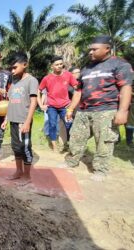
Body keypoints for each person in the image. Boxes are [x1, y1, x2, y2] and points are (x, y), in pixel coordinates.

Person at [64, 35, 133, 181]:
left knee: (104, 142)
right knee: (76, 138)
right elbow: (78, 90)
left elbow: (126, 87)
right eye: (90, 49)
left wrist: (122, 111)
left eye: (94, 49)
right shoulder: (87, 67)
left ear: (107, 49)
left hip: (106, 110)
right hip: (84, 110)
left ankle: (101, 170)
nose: (90, 52)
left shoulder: (119, 64)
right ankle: (71, 161)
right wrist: (71, 109)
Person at [1, 52, 38, 185]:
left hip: (24, 121)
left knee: (25, 147)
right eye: (11, 68)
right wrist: (6, 119)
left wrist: (28, 121)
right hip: (14, 121)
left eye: (15, 67)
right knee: (16, 147)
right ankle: (18, 171)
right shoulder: (14, 83)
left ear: (25, 64)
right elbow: (10, 102)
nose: (12, 70)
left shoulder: (31, 80)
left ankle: (27, 176)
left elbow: (34, 102)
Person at [37, 56, 79, 152]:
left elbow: (77, 88)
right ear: (52, 66)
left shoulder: (68, 75)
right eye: (57, 64)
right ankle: (55, 146)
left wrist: (73, 103)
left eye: (61, 64)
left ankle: (70, 145)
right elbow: (38, 91)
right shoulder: (47, 78)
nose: (59, 66)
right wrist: (40, 105)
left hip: (65, 106)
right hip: (51, 107)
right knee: (52, 125)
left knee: (69, 125)